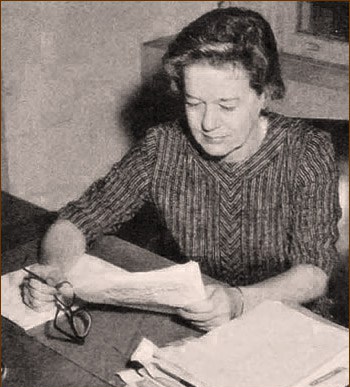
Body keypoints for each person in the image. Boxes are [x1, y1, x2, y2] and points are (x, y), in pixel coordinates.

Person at [22, 7, 341, 331]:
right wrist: (54, 270)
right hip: (196, 320)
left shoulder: (306, 152)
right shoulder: (162, 148)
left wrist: (239, 300)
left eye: (226, 106)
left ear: (264, 94)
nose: (208, 123)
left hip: (289, 323)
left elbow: (314, 271)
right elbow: (77, 220)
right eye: (194, 103)